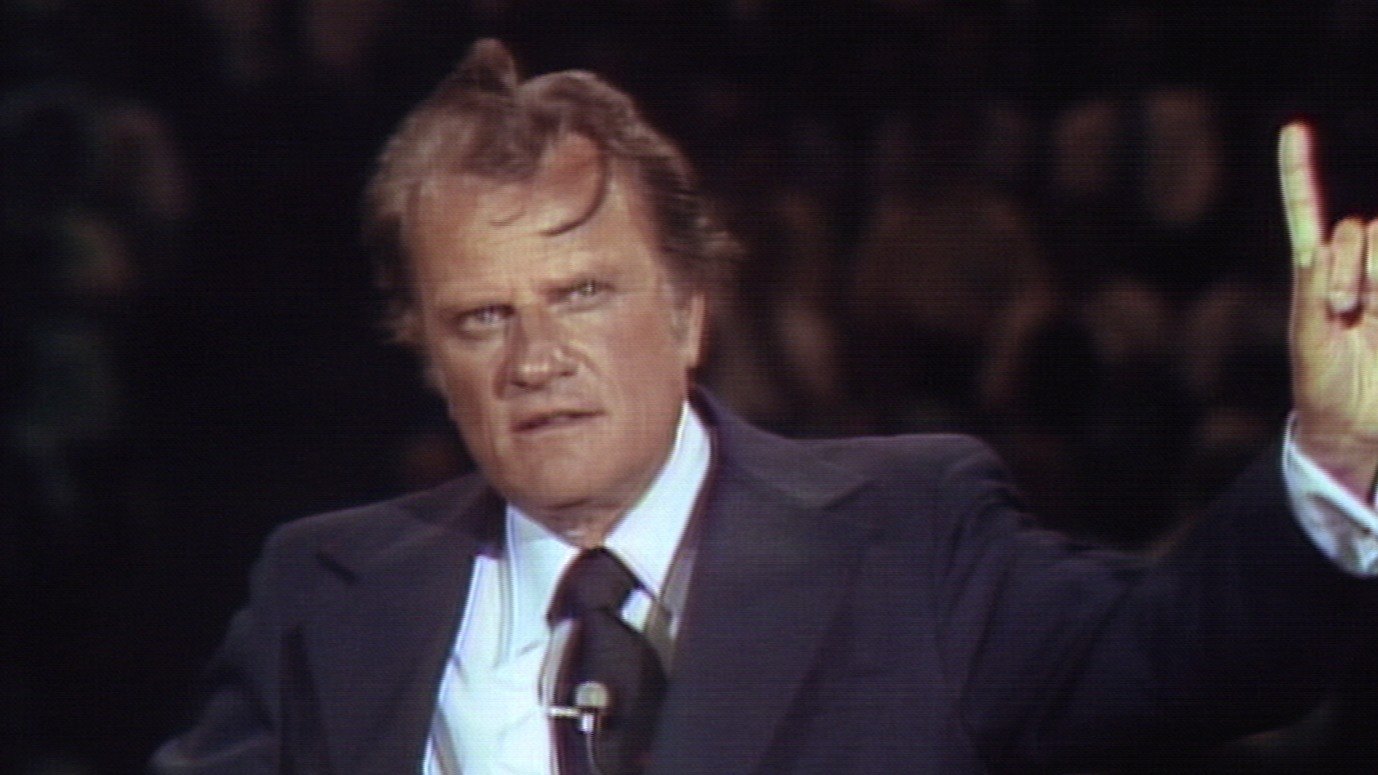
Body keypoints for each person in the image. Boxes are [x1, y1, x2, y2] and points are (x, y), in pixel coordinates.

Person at [152, 40, 1378, 773]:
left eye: (581, 294)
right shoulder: (324, 593)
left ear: (689, 314)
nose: (534, 358)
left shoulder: (908, 535)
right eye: (482, 318)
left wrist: (1331, 458)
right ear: (428, 354)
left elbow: (1184, 659)